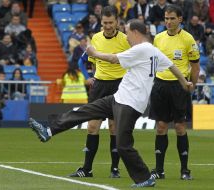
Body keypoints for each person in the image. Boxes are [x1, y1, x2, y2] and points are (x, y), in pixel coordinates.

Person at [29, 19, 193, 188]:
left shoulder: (141, 49)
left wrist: (94, 53)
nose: (127, 37)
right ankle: (49, 130)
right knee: (85, 111)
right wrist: (184, 82)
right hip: (119, 98)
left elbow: (113, 59)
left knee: (123, 145)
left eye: (128, 32)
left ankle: (145, 177)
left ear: (136, 32)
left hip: (130, 104)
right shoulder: (153, 50)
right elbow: (172, 66)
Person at [71, 6, 130, 178]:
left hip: (119, 86)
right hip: (99, 86)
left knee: (114, 128)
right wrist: (89, 77)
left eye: (111, 22)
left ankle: (115, 169)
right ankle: (87, 169)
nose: (108, 26)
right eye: (105, 22)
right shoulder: (95, 38)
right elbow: (86, 60)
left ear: (117, 22)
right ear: (101, 22)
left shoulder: (126, 40)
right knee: (92, 127)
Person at [148, 4, 200, 180]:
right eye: (166, 18)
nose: (168, 22)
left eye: (172, 18)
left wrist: (191, 83)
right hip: (160, 85)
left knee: (179, 127)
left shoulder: (188, 39)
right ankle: (159, 170)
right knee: (161, 127)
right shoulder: (158, 38)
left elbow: (195, 65)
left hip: (179, 87)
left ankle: (185, 171)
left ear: (180, 19)